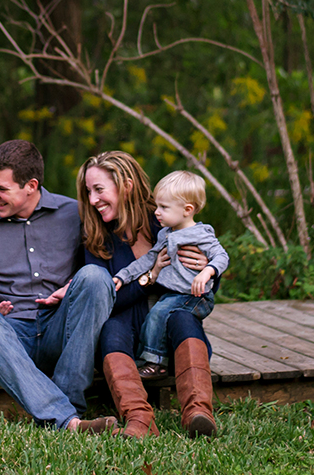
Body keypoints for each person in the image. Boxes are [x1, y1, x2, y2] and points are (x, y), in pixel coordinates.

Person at [0, 139, 119, 433]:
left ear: (31, 185)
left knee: (95, 276)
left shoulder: (73, 213)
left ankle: (69, 405)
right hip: (5, 339)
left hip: (58, 333)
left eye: (1, 189)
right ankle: (66, 418)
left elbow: (107, 261)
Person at [76, 151, 220, 438]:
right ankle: (139, 419)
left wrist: (207, 269)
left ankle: (198, 413)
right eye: (88, 192)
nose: (92, 200)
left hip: (169, 323)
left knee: (182, 318)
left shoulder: (166, 219)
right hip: (123, 325)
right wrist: (150, 276)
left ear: (126, 186)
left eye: (99, 190)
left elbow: (206, 281)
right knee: (111, 328)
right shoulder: (96, 236)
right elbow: (104, 301)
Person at [112, 170, 229, 378]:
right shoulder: (165, 234)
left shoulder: (201, 234)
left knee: (159, 313)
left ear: (187, 210)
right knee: (156, 313)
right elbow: (148, 260)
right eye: (157, 206)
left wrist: (207, 272)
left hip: (195, 297)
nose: (156, 212)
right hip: (174, 295)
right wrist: (123, 276)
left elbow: (222, 256)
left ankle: (156, 362)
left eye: (164, 207)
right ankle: (153, 358)